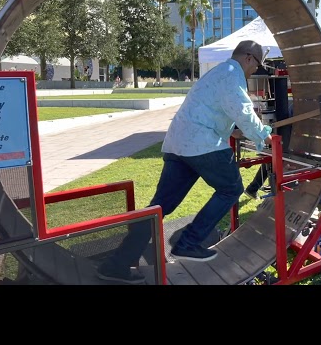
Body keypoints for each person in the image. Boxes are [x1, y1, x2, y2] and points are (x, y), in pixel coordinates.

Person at [96, 40, 273, 284]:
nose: (255, 71)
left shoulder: (217, 73)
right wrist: (264, 135)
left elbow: (213, 109)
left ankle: (116, 265)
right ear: (249, 58)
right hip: (201, 145)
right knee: (231, 188)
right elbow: (243, 111)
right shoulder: (232, 74)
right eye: (257, 66)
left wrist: (231, 131)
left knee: (159, 208)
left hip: (178, 145)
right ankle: (188, 242)